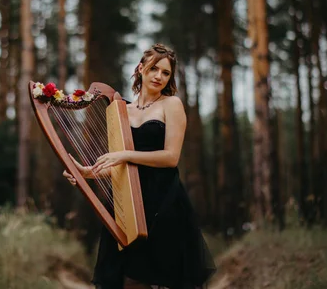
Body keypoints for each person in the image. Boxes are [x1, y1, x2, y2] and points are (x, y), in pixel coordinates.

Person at [63, 43, 216, 289]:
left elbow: (170, 158)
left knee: (163, 277)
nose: (159, 76)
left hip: (163, 200)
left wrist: (125, 155)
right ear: (140, 68)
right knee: (127, 278)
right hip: (127, 202)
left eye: (166, 73)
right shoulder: (122, 111)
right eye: (155, 68)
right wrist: (88, 173)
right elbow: (118, 164)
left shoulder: (171, 105)